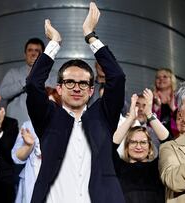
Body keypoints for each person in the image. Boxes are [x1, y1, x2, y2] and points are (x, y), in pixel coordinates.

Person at [25, 2, 126, 202]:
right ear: (59, 88)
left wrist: (90, 35)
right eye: (70, 82)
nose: (77, 88)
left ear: (91, 90)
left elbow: (117, 77)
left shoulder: (103, 115)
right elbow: (34, 84)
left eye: (83, 83)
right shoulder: (48, 117)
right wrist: (54, 43)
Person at [113, 89, 170, 203]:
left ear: (150, 147)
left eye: (143, 142)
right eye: (133, 142)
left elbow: (167, 142)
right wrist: (130, 119)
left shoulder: (158, 167)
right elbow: (111, 146)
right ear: (126, 146)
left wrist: (149, 114)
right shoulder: (118, 167)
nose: (138, 146)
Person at [12, 87, 61, 203]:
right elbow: (16, 157)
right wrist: (29, 146)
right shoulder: (28, 126)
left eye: (52, 105)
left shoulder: (66, 127)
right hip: (31, 184)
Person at [0, 37, 56, 127]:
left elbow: (57, 97)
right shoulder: (13, 73)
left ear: (43, 55)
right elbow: (3, 93)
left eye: (37, 50)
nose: (33, 54)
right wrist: (24, 82)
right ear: (25, 54)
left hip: (44, 127)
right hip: (16, 128)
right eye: (30, 50)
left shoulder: (53, 75)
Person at [153, 68, 179, 137]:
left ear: (171, 80)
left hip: (176, 136)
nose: (161, 79)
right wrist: (156, 108)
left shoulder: (179, 98)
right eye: (158, 77)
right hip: (156, 138)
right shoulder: (150, 99)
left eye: (165, 77)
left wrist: (173, 108)